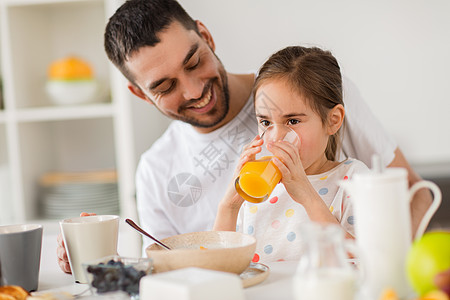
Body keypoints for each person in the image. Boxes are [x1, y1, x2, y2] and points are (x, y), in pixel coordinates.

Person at [57, 0, 432, 273]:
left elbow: (413, 196)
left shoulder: (307, 91)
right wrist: (101, 260)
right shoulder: (155, 169)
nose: (192, 91)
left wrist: (389, 276)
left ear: (206, 36)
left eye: (193, 62)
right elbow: (166, 270)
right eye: (166, 85)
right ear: (140, 94)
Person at [213, 46, 369, 262]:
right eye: (265, 122)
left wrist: (307, 195)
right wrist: (228, 208)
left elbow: (364, 262)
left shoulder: (353, 180)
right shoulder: (258, 189)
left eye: (293, 121)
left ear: (333, 120)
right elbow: (220, 267)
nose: (275, 138)